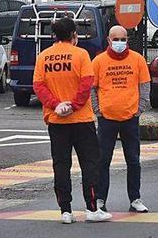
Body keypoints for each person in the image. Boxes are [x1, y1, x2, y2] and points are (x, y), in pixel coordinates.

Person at [33, 17, 112, 224]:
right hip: (81, 120)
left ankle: (65, 211)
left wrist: (56, 105)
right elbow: (87, 85)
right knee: (90, 164)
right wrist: (73, 106)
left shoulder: (44, 57)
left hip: (56, 121)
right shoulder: (81, 55)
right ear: (73, 35)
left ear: (54, 36)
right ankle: (92, 209)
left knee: (61, 165)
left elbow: (39, 86)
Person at [91, 25, 151, 214]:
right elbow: (92, 88)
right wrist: (97, 110)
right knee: (102, 161)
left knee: (133, 160)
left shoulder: (138, 60)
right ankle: (100, 199)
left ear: (127, 40)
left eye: (123, 39)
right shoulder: (99, 61)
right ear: (108, 40)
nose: (119, 43)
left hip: (130, 118)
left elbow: (145, 86)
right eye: (115, 39)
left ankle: (135, 198)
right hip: (106, 119)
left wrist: (139, 109)